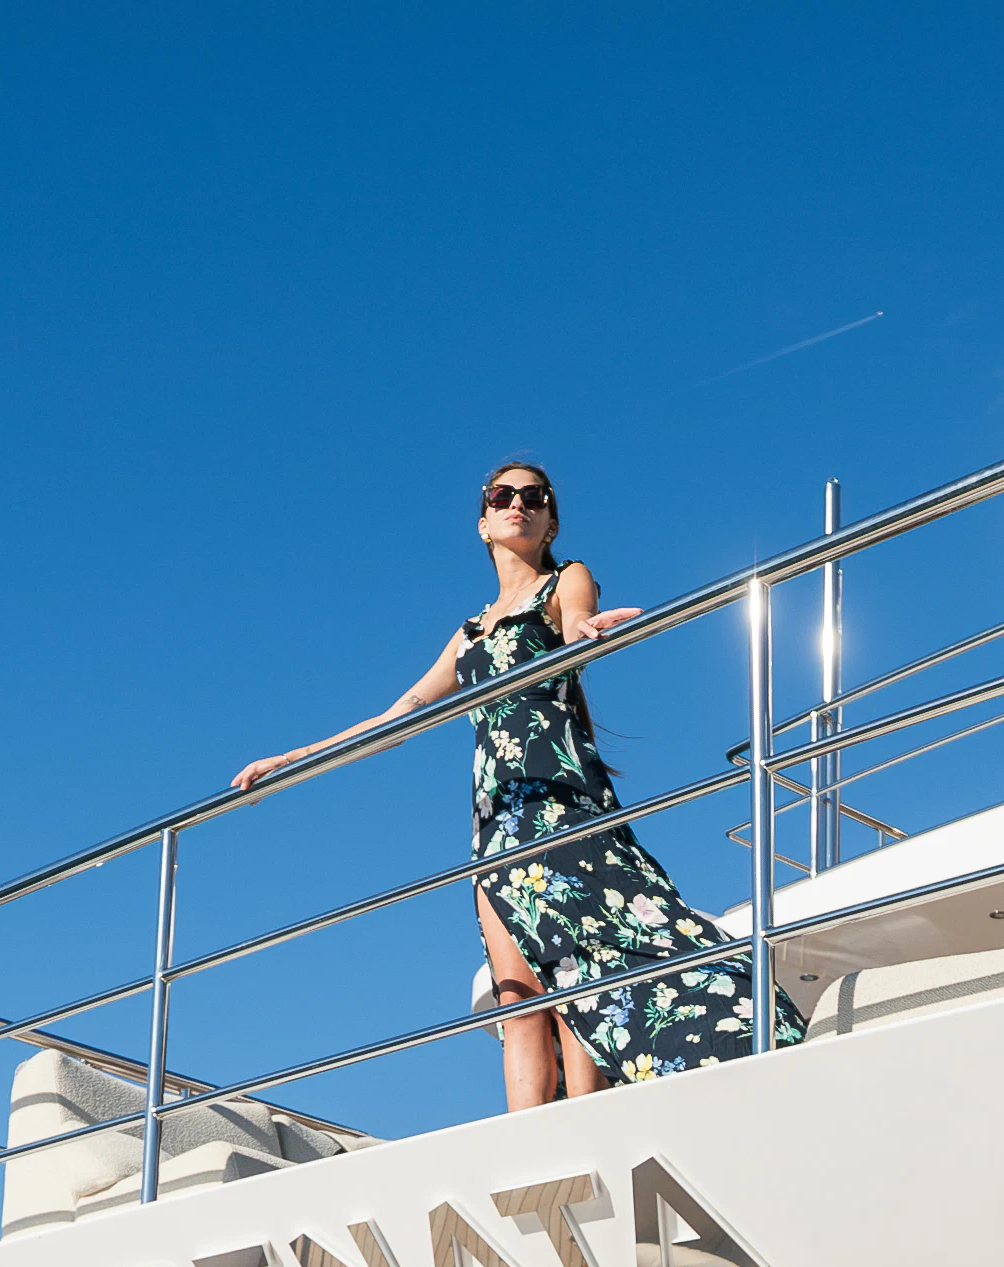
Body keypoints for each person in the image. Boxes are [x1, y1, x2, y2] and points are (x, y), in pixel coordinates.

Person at [236, 461, 760, 1108]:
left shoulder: (564, 579)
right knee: (517, 995)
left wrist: (586, 633)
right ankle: (524, 1147)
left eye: (535, 498)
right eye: (502, 496)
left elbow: (575, 623)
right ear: (484, 522)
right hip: (497, 816)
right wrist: (294, 759)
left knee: (577, 979)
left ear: (550, 522)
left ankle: (590, 1125)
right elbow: (396, 719)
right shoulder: (470, 632)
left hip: (562, 801)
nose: (519, 504)